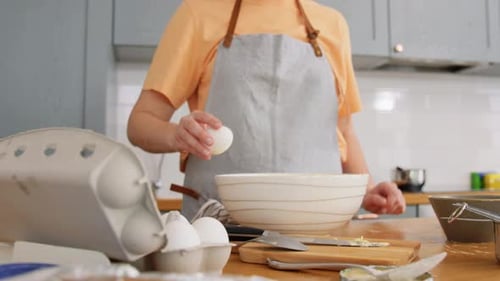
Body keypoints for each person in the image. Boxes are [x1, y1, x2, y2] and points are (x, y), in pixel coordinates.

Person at [127, 0, 406, 221]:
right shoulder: (197, 15)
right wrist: (177, 134)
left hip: (320, 232)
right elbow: (140, 123)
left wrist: (367, 191)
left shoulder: (332, 25)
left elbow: (343, 130)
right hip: (223, 229)